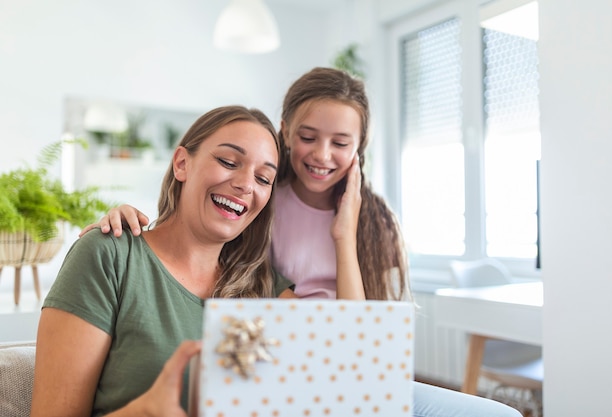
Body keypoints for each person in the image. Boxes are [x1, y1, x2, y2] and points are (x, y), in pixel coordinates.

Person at [81, 68, 522, 417]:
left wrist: (344, 236)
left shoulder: (372, 222)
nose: (322, 154)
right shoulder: (262, 203)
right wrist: (123, 223)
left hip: (353, 366)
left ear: (359, 149)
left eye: (340, 143)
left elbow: (361, 341)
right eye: (308, 137)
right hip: (276, 364)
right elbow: (195, 232)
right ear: (286, 131)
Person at [30, 106, 293, 417]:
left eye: (263, 179)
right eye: (227, 162)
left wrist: (345, 235)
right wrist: (144, 411)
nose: (246, 185)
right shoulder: (110, 257)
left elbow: (346, 368)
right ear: (182, 163)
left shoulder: (267, 287)